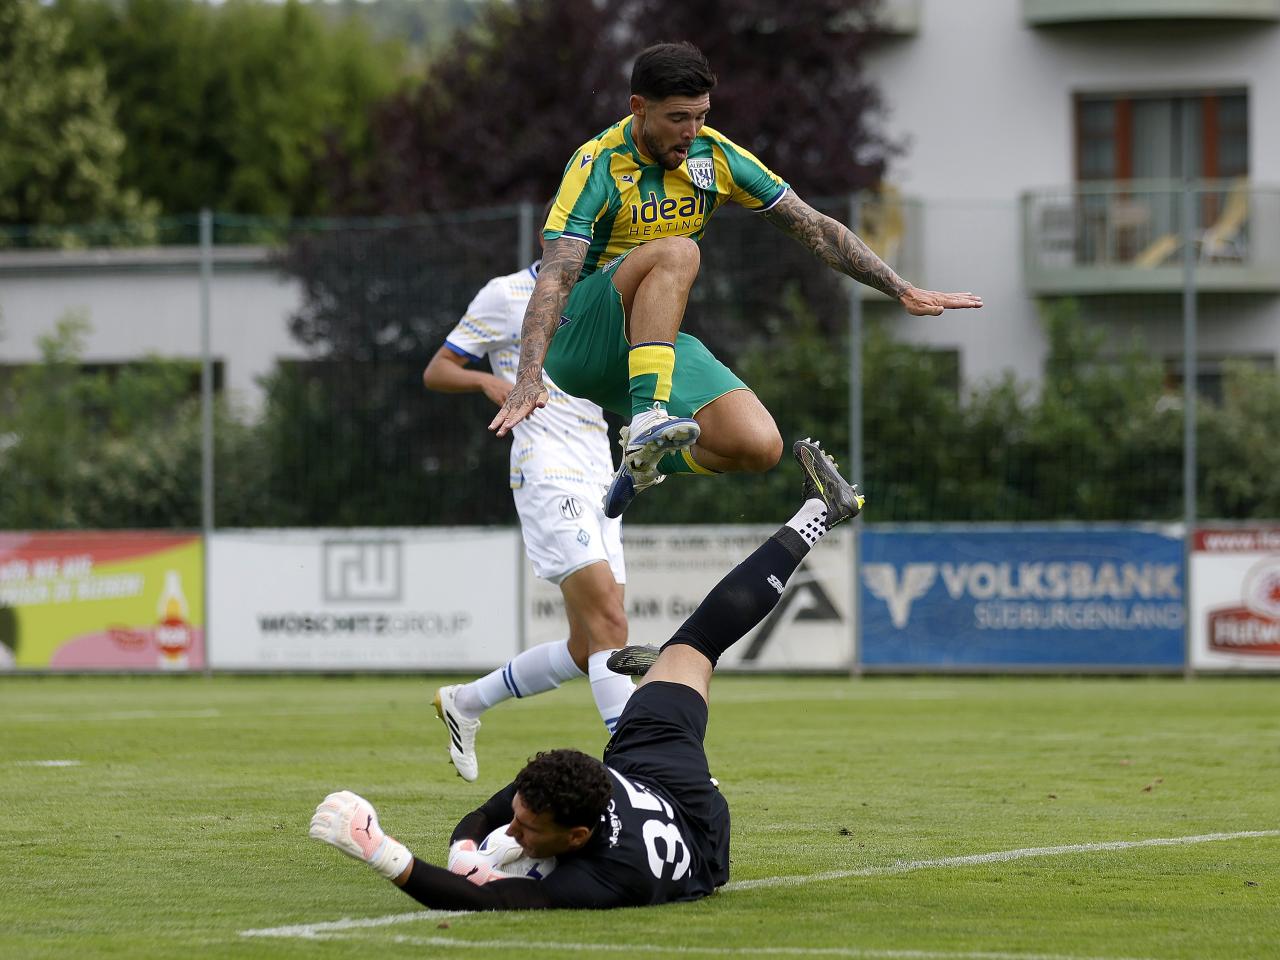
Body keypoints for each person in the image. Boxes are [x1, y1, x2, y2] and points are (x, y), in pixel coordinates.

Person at [309, 438, 863, 909]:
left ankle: (812, 518)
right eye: (520, 822)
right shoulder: (563, 792)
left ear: (576, 837)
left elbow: (485, 903)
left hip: (690, 838)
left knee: (689, 645)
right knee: (694, 646)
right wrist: (465, 850)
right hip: (665, 787)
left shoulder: (599, 877)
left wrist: (380, 850)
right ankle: (667, 660)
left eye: (525, 829)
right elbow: (487, 813)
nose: (515, 832)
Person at [488, 41, 982, 519]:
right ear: (638, 107)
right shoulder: (597, 162)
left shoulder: (716, 156)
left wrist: (901, 289)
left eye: (701, 116)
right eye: (678, 118)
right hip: (580, 335)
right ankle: (647, 419)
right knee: (679, 250)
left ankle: (644, 462)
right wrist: (528, 375)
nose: (692, 131)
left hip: (648, 344)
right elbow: (557, 275)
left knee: (757, 445)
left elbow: (814, 229)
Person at [421, 248, 635, 782]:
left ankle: (466, 701)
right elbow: (438, 369)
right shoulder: (505, 294)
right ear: (553, 236)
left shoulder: (599, 295)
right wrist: (487, 382)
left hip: (600, 471)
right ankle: (643, 761)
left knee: (589, 648)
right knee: (611, 621)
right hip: (546, 470)